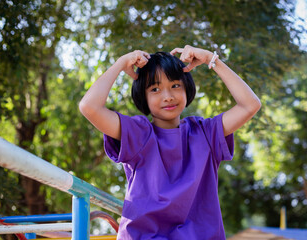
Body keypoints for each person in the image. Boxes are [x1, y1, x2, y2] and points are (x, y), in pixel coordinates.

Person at [79, 45, 261, 239]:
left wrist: (210, 59)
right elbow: (89, 107)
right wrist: (121, 63)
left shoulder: (205, 133)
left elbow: (250, 105)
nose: (168, 96)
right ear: (144, 97)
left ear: (187, 89)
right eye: (155, 89)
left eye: (175, 85)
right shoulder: (138, 133)